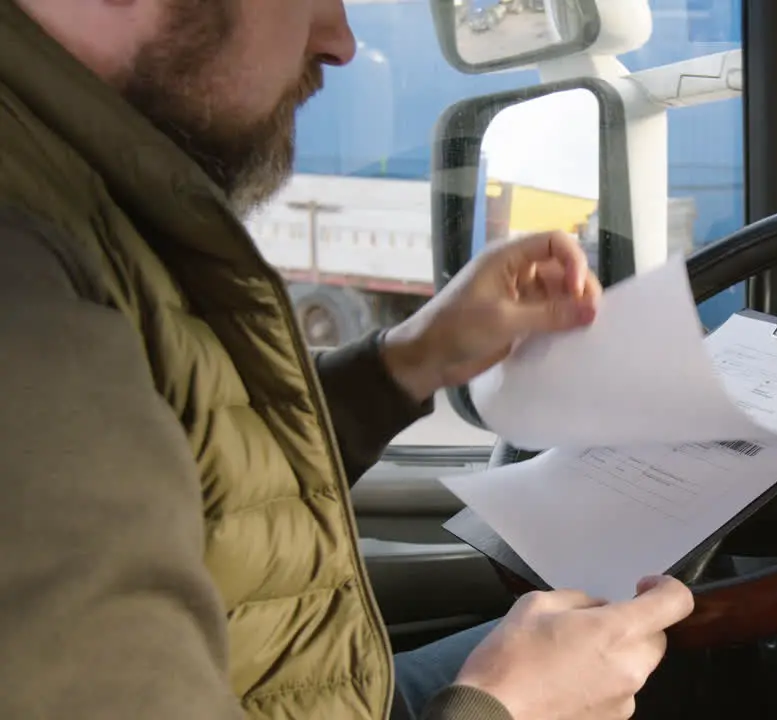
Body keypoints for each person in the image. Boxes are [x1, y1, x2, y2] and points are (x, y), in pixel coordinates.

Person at [0, 1, 695, 720]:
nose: (341, 43)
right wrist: (501, 709)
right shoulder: (26, 302)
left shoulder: (81, 204)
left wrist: (410, 362)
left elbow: (201, 464)